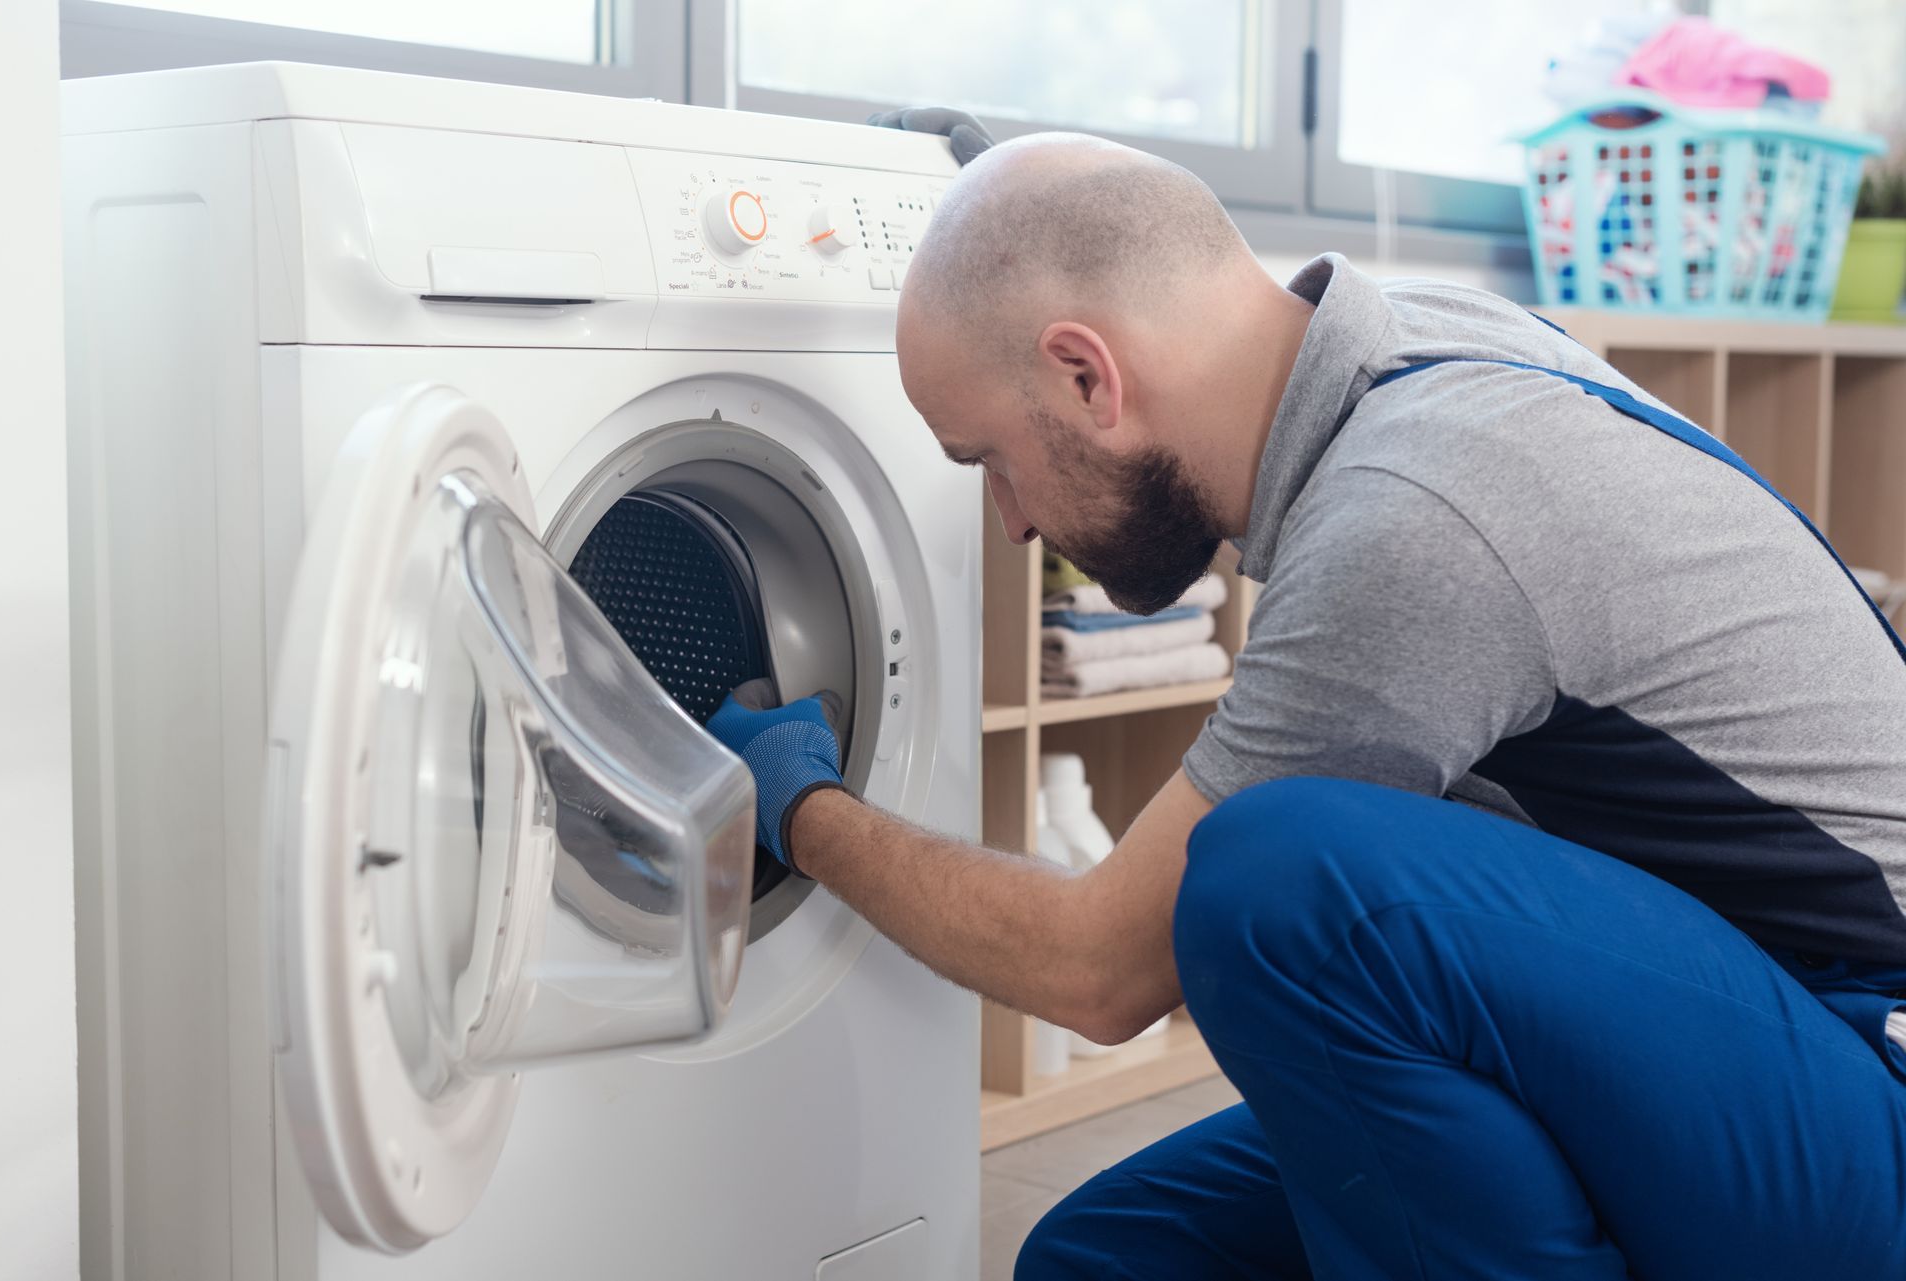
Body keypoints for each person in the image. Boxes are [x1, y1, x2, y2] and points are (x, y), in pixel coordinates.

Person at [704, 112, 1906, 1279]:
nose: (1011, 524)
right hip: (1734, 1025)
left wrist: (801, 802)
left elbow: (1098, 973)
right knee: (1108, 1257)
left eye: (992, 462)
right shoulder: (1407, 348)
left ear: (1085, 375)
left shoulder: (1412, 519)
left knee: (1284, 879)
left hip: (1869, 1088)